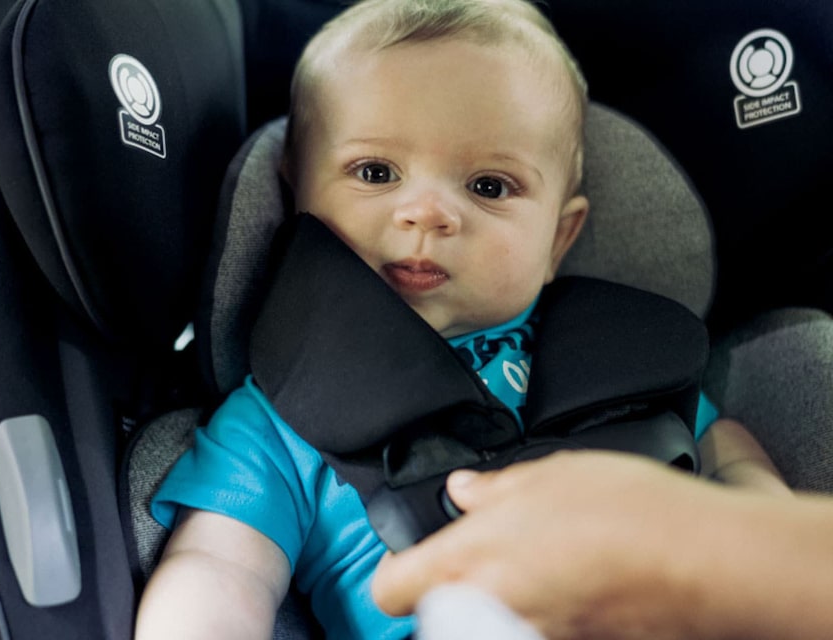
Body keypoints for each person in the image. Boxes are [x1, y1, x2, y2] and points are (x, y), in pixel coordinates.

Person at [134, 0, 788, 637]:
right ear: (294, 194)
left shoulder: (623, 361)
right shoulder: (284, 413)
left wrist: (758, 511)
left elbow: (724, 454)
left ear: (559, 239)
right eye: (376, 171)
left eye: (489, 186)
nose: (428, 213)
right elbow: (221, 568)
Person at [372, 450, 833, 640]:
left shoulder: (638, 358)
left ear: (562, 243)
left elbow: (737, 459)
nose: (428, 234)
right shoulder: (305, 430)